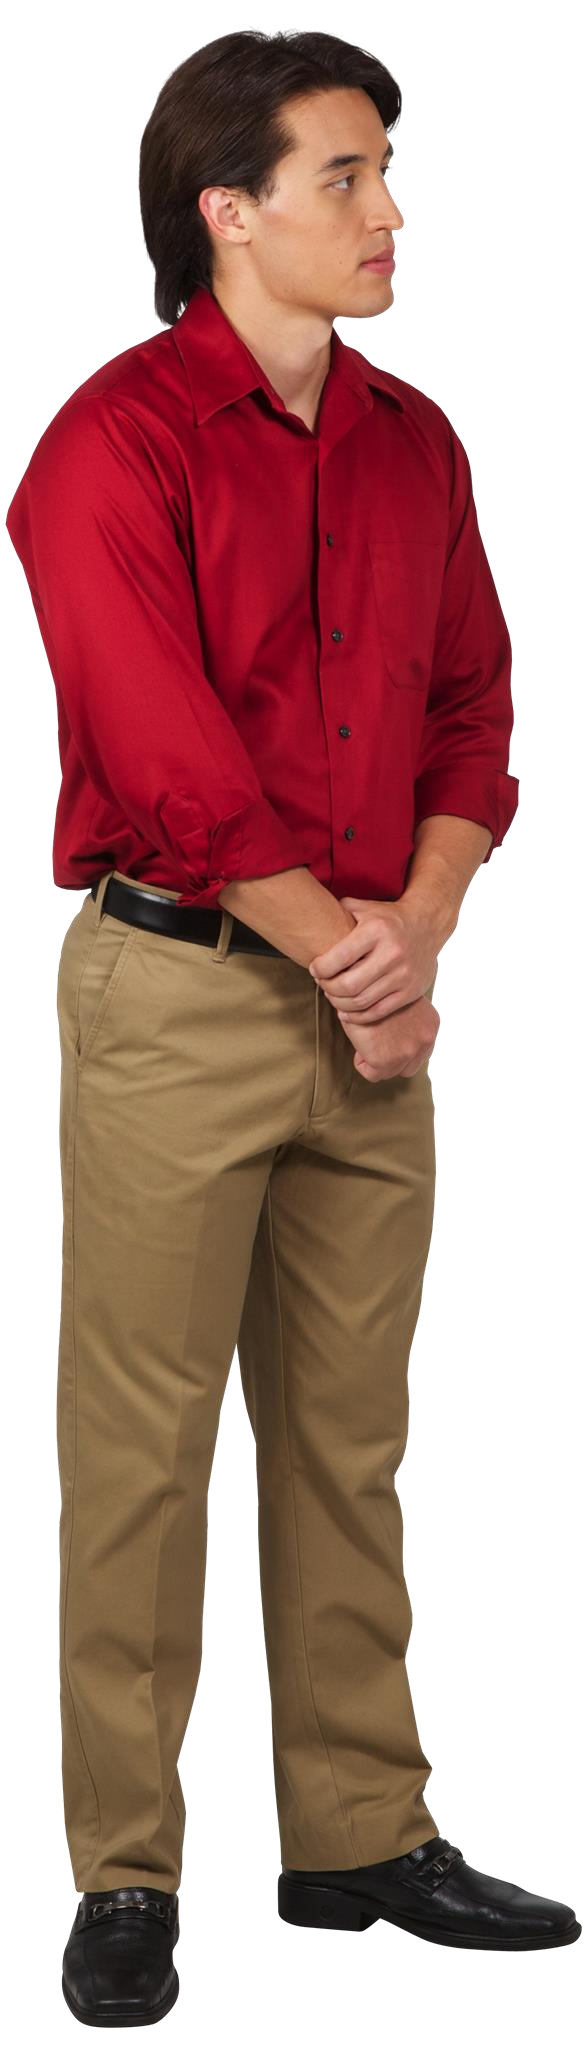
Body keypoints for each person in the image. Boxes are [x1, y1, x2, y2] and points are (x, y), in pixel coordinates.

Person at [5, 26, 578, 2025]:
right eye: (349, 175)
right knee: (142, 1452)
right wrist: (346, 954)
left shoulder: (420, 442)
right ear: (227, 209)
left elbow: (475, 711)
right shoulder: (112, 443)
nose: (393, 210)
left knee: (351, 1441)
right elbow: (157, 744)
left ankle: (359, 1828)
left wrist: (416, 931)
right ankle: (125, 1868)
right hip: (178, 998)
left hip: (376, 1010)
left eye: (387, 173)